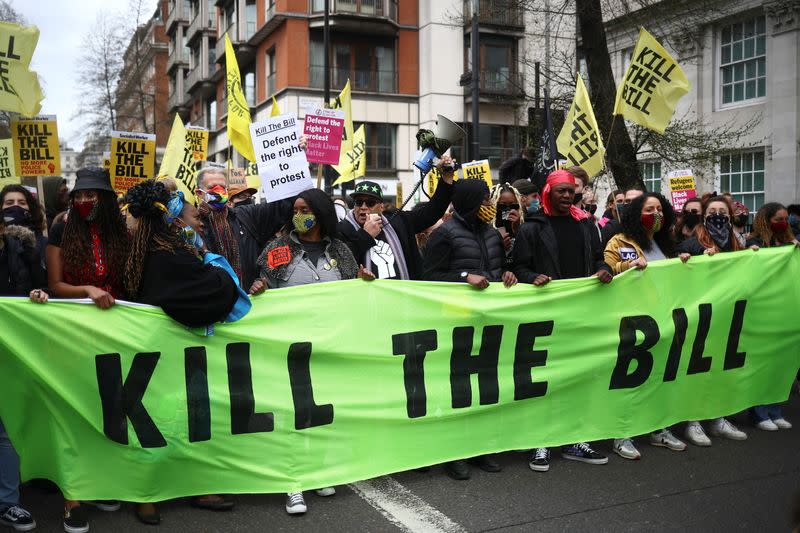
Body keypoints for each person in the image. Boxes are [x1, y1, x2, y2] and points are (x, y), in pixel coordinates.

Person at [258, 188, 369, 514]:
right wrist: (260, 286)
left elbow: (352, 292)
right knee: (293, 414)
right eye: (295, 209)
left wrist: (364, 282)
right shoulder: (278, 249)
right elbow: (264, 283)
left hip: (329, 346)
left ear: (319, 213)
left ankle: (320, 470)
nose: (298, 214)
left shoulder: (342, 252)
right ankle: (293, 483)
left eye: (305, 208)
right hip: (289, 347)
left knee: (324, 412)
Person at [512, 169, 612, 472]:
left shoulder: (585, 226)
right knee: (546, 379)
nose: (568, 196)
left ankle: (573, 439)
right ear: (548, 194)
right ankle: (540, 441)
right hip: (545, 315)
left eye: (571, 191)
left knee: (575, 378)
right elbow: (517, 267)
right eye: (561, 191)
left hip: (579, 314)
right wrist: (532, 277)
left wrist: (604, 268)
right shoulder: (532, 229)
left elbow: (598, 257)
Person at [45, 167, 126, 533]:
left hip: (114, 333)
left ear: (105, 199)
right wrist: (88, 290)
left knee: (107, 409)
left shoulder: (120, 231)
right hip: (74, 333)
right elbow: (56, 284)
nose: (82, 201)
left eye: (90, 195)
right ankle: (72, 498)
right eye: (78, 195)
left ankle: (98, 484)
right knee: (73, 410)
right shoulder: (62, 228)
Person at [422, 178, 517, 480]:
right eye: (484, 202)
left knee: (485, 386)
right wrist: (464, 276)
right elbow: (429, 278)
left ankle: (480, 448)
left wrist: (507, 275)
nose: (489, 208)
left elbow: (497, 271)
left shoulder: (491, 234)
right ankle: (455, 453)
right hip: (456, 322)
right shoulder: (444, 234)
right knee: (459, 389)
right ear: (469, 203)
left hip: (487, 321)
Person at [604, 192, 691, 459]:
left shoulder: (666, 244)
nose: (655, 214)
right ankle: (623, 433)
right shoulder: (619, 241)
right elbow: (606, 271)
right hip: (631, 319)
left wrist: (683, 261)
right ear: (635, 213)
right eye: (649, 209)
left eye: (659, 210)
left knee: (660, 377)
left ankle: (659, 429)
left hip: (663, 319)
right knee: (630, 377)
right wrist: (628, 265)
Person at [677, 195, 756, 446]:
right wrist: (690, 256)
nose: (718, 214)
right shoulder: (692, 241)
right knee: (697, 368)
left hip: (728, 313)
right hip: (700, 313)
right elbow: (679, 262)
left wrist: (753, 256)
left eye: (723, 210)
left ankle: (718, 417)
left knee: (722, 368)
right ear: (704, 215)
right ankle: (693, 421)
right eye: (712, 211)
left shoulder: (735, 242)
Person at [0, 212, 47, 532]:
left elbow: (44, 289)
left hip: (13, 352)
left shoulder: (22, 251)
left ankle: (8, 503)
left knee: (7, 427)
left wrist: (39, 296)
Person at [338, 157, 454, 280]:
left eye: (370, 203)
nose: (363, 207)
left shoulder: (398, 221)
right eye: (358, 202)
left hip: (402, 295)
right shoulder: (343, 229)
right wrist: (365, 236)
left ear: (381, 207)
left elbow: (431, 212)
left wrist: (446, 180)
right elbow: (342, 261)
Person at [196, 165, 292, 294]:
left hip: (249, 300)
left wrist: (293, 164)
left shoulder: (246, 216)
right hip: (213, 304)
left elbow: (283, 205)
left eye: (222, 187)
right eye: (212, 187)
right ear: (199, 193)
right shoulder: (192, 226)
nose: (218, 191)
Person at [745, 202, 799, 431]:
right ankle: (759, 413)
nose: (784, 223)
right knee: (762, 364)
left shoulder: (789, 243)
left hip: (783, 310)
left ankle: (775, 410)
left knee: (780, 363)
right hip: (762, 311)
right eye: (778, 219)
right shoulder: (754, 243)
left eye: (785, 218)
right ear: (766, 220)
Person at [1, 184, 48, 257]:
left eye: (22, 203)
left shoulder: (44, 243)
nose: (16, 206)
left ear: (30, 209)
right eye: (9, 203)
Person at [491, 182, 524, 268]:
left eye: (512, 205)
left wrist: (517, 229)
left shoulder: (524, 224)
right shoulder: (486, 227)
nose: (508, 209)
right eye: (502, 205)